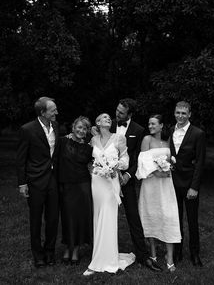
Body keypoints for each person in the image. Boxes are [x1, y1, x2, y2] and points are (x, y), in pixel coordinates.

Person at [110, 98, 162, 271]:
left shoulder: (138, 130)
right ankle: (103, 252)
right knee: (105, 217)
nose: (117, 114)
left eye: (121, 112)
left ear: (130, 114)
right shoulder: (108, 125)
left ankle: (143, 256)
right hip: (106, 181)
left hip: (126, 181)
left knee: (133, 217)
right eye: (117, 110)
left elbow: (138, 157)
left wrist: (128, 175)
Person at [83, 113, 135, 276]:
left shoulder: (119, 138)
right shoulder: (93, 140)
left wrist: (116, 166)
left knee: (109, 217)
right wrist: (93, 170)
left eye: (108, 118)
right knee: (98, 217)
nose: (107, 119)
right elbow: (88, 160)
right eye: (103, 118)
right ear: (98, 123)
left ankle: (109, 259)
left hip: (111, 182)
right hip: (97, 182)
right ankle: (98, 257)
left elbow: (126, 158)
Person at [16, 97, 59, 268]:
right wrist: (22, 183)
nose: (57, 112)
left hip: (53, 180)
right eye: (53, 110)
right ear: (43, 113)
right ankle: (38, 255)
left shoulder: (55, 126)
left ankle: (49, 252)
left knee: (53, 218)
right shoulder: (27, 129)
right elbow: (21, 159)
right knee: (35, 219)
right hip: (35, 181)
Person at [136, 114, 181, 272]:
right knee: (151, 216)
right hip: (151, 185)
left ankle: (169, 256)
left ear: (162, 125)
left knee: (169, 216)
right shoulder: (147, 140)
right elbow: (142, 162)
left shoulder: (167, 141)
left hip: (166, 186)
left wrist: (169, 168)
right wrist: (157, 173)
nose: (150, 126)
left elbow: (171, 160)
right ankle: (153, 254)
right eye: (149, 124)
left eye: (154, 124)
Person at [169, 101, 206, 267]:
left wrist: (194, 187)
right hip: (172, 183)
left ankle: (195, 253)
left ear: (189, 114)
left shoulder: (198, 133)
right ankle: (177, 253)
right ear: (174, 113)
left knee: (192, 220)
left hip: (190, 183)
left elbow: (200, 162)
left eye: (184, 113)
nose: (180, 116)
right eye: (178, 113)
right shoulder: (170, 131)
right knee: (175, 219)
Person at [59, 116, 93, 265]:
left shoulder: (89, 148)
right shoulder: (62, 141)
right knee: (67, 216)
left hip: (83, 185)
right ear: (73, 127)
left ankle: (76, 248)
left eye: (84, 128)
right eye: (79, 127)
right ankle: (68, 246)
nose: (81, 130)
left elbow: (93, 166)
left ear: (87, 132)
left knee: (80, 217)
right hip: (66, 185)